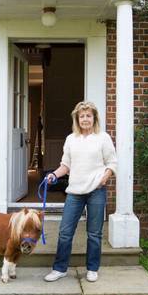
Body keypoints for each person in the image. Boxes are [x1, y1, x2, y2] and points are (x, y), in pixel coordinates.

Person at [43, 101, 117, 283]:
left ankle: (92, 268)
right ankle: (59, 269)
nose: (85, 119)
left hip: (96, 191)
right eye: (82, 116)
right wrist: (53, 174)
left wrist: (105, 177)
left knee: (94, 233)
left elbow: (112, 162)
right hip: (75, 192)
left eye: (88, 116)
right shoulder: (71, 139)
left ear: (94, 118)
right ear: (77, 119)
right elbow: (65, 166)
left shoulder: (103, 138)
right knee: (65, 231)